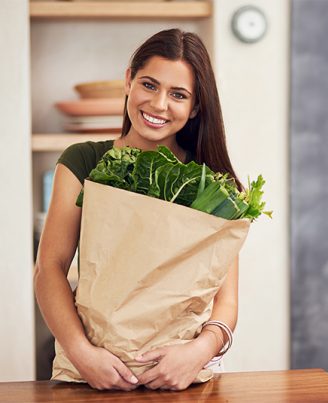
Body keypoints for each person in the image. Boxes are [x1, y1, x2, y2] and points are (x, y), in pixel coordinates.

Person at [34, 28, 242, 391]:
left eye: (178, 94)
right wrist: (82, 353)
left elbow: (227, 300)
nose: (159, 104)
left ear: (194, 107)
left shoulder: (210, 182)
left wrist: (199, 352)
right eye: (149, 85)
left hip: (182, 380)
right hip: (94, 375)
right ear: (128, 80)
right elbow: (49, 269)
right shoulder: (84, 161)